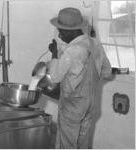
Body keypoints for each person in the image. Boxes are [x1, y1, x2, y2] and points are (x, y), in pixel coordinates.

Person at [39, 7, 112, 148]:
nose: (59, 34)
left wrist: (55, 54)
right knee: (82, 144)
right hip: (89, 104)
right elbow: (106, 71)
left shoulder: (73, 51)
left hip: (72, 106)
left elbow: (54, 77)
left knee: (66, 144)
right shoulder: (94, 43)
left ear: (70, 31)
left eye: (61, 30)